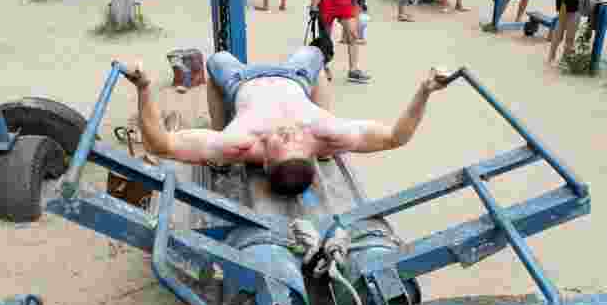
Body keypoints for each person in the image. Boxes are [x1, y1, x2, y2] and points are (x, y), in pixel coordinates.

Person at [119, 47, 452, 195]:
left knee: (217, 59)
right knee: (314, 53)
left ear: (264, 161)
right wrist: (425, 90)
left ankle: (220, 119)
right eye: (296, 143)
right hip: (295, 77)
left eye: (281, 143)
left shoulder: (238, 143)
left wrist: (144, 86)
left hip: (242, 81)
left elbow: (160, 145)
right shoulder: (325, 135)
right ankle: (316, 85)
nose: (288, 135)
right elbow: (396, 137)